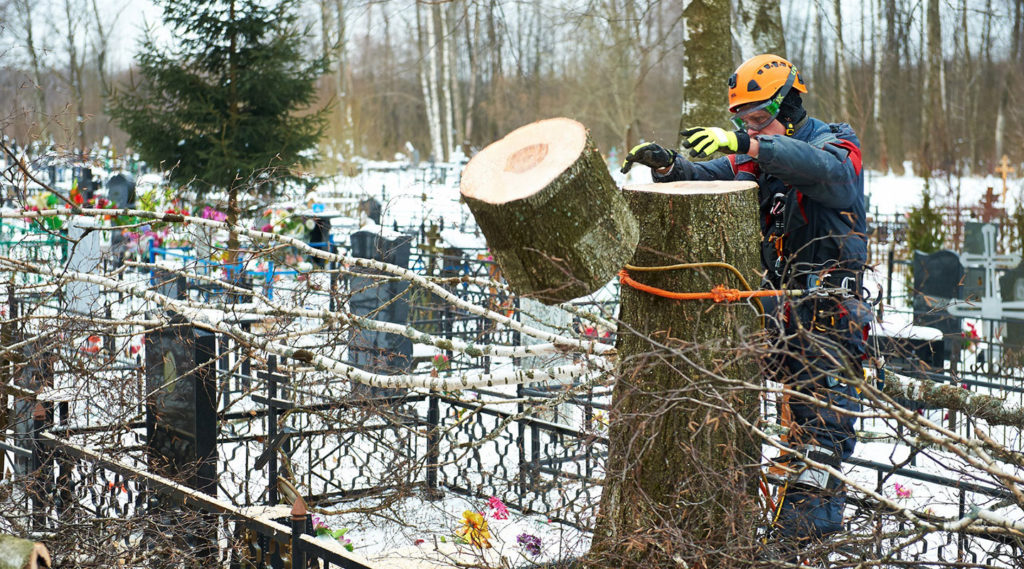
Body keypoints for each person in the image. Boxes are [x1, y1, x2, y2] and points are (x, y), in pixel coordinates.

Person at [621, 54, 871, 556]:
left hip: (829, 321)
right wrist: (669, 166)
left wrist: (750, 143)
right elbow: (707, 172)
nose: (750, 130)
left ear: (789, 107)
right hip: (773, 315)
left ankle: (801, 549)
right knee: (728, 407)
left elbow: (827, 172)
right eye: (743, 121)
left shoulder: (835, 147)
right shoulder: (756, 158)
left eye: (759, 118)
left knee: (820, 441)